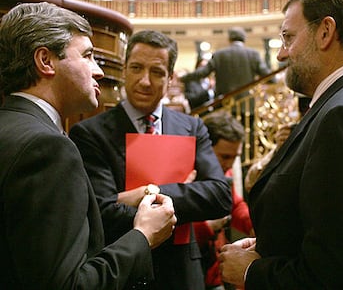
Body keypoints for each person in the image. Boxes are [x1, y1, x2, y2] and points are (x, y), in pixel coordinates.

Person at [218, 0, 343, 289]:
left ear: (325, 32)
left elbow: (332, 275)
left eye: (288, 38)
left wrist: (251, 273)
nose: (281, 54)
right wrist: (273, 245)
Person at [0, 2, 177, 289]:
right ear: (45, 61)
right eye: (88, 56)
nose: (99, 71)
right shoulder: (46, 147)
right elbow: (68, 285)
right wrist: (143, 236)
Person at [69, 29, 232, 290]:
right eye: (136, 68)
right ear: (124, 70)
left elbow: (220, 196)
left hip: (183, 272)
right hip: (124, 271)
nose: (145, 81)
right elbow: (101, 211)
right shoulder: (90, 133)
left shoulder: (192, 127)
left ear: (170, 78)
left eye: (156, 72)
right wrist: (186, 191)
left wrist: (146, 193)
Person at [193, 111, 253, 290]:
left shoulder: (223, 174)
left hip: (214, 272)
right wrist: (208, 227)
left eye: (235, 157)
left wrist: (253, 224)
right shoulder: (185, 173)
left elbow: (235, 206)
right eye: (225, 157)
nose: (229, 164)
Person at [180, 27, 273, 97]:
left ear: (229, 39)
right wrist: (274, 80)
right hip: (246, 104)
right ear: (244, 39)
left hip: (224, 102)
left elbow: (203, 72)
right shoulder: (253, 54)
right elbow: (267, 75)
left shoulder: (219, 54)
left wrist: (183, 78)